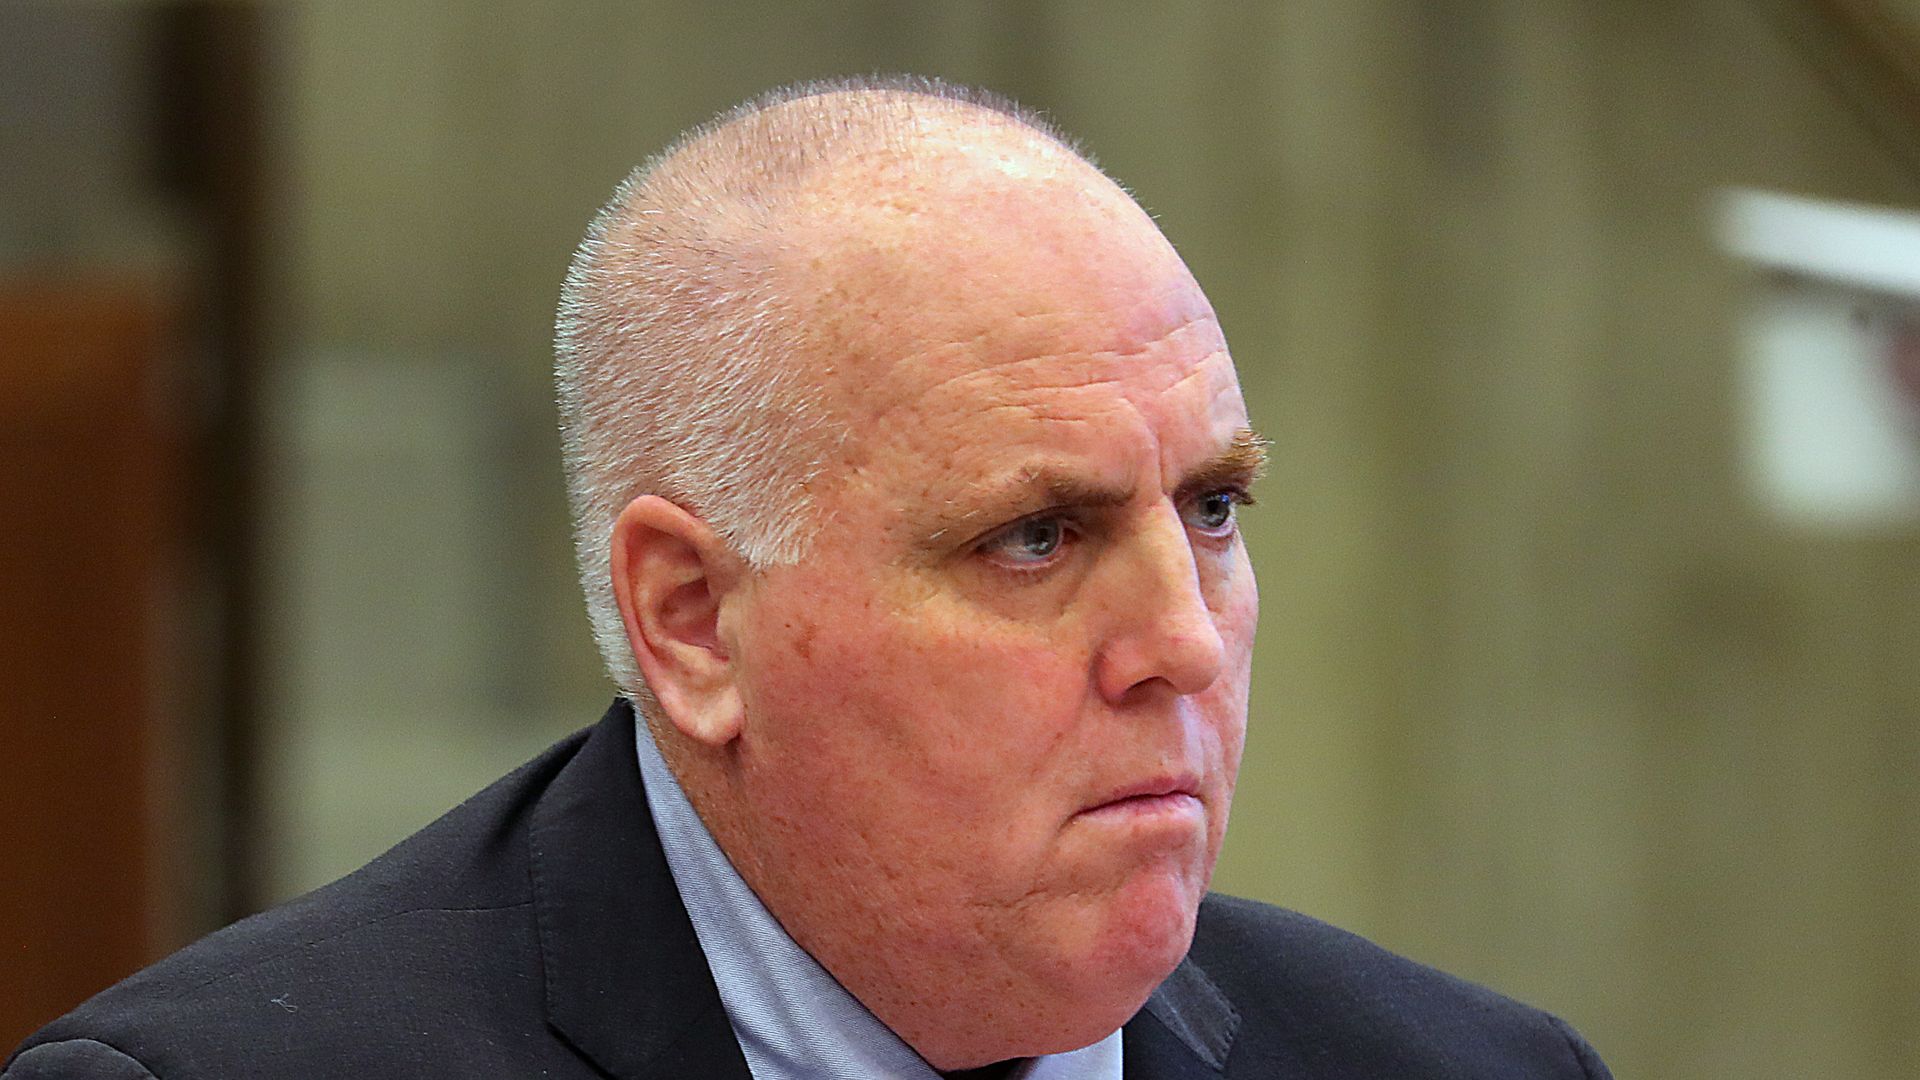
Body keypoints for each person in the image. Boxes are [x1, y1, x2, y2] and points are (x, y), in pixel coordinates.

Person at [6, 76, 1612, 1079]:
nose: (1182, 644)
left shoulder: (1468, 1065)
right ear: (693, 623)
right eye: (1034, 538)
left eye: (1211, 507)